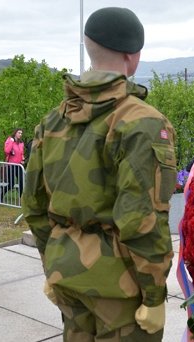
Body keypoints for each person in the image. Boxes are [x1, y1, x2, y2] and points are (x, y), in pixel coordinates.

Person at [22, 7, 176, 340]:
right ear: (132, 57)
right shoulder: (142, 122)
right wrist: (154, 294)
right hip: (121, 286)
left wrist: (53, 265)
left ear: (89, 48)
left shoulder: (54, 120)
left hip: (68, 274)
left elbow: (33, 205)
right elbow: (142, 219)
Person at [2, 128, 24, 201]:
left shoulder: (21, 143)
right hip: (11, 166)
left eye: (21, 133)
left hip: (19, 165)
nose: (20, 134)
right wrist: (11, 141)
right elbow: (6, 151)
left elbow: (21, 153)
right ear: (15, 133)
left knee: (21, 182)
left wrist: (22, 159)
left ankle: (21, 199)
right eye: (19, 133)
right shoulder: (10, 140)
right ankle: (1, 195)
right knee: (11, 184)